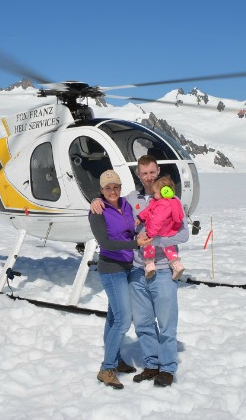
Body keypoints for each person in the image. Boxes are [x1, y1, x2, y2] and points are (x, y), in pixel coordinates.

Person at [90, 155, 189, 387]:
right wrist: (95, 199)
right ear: (138, 175)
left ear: (158, 171)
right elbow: (110, 201)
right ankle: (152, 364)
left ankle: (166, 367)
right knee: (143, 323)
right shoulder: (130, 199)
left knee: (166, 322)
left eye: (152, 172)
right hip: (137, 270)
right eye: (144, 173)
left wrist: (157, 241)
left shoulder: (170, 197)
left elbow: (184, 234)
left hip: (163, 269)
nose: (149, 177)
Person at [88, 169, 150, 389]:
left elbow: (127, 230)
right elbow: (106, 243)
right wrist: (136, 244)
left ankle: (116, 359)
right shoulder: (97, 211)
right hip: (111, 268)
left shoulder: (125, 204)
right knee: (124, 319)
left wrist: (137, 236)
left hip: (127, 266)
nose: (112, 191)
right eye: (107, 188)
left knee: (114, 319)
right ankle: (107, 368)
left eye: (115, 187)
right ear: (101, 190)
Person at [135, 176, 185, 281]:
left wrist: (150, 234)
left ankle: (149, 265)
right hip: (166, 231)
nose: (154, 194)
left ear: (165, 192)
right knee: (168, 246)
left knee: (148, 244)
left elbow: (156, 221)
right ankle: (177, 264)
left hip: (157, 231)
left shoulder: (163, 205)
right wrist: (141, 217)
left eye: (156, 193)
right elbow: (148, 210)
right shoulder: (166, 202)